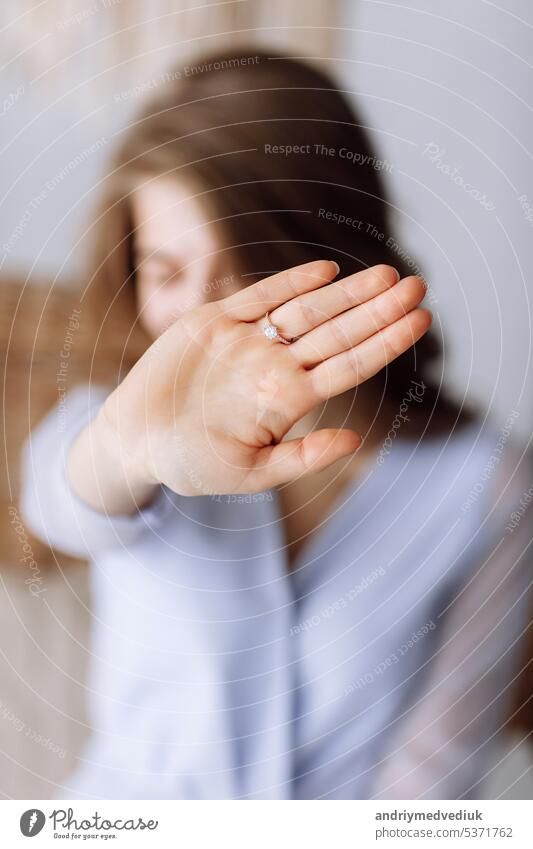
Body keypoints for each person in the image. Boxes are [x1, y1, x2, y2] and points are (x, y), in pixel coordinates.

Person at [21, 50, 531, 800]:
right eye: (165, 272)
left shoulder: (487, 485)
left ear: (332, 256)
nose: (200, 320)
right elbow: (58, 503)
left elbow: (433, 770)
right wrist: (130, 447)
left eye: (245, 268)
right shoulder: (123, 425)